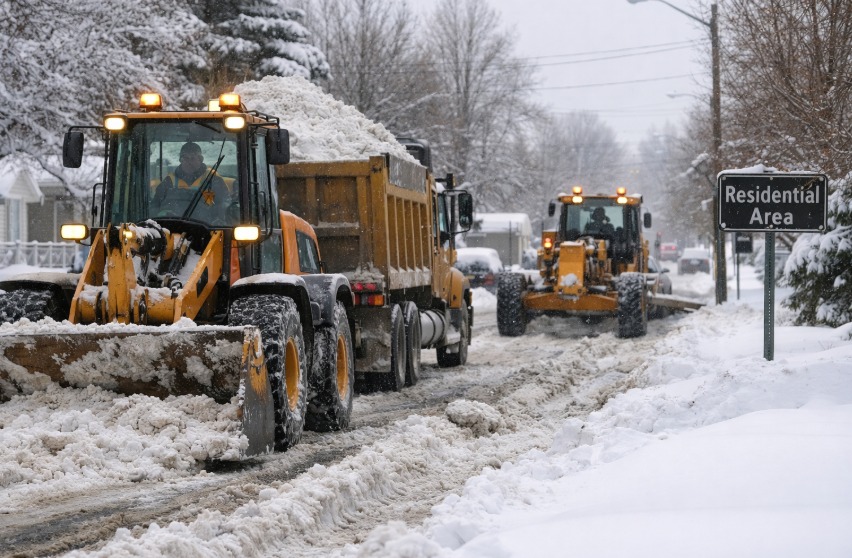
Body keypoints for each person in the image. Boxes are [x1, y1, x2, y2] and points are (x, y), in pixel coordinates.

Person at [150, 142, 230, 222]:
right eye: (185, 158)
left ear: (200, 159)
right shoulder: (169, 181)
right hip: (174, 225)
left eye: (192, 158)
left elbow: (224, 204)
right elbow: (155, 205)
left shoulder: (213, 179)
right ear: (180, 160)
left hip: (206, 226)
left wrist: (217, 219)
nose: (189, 162)